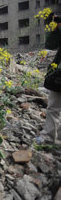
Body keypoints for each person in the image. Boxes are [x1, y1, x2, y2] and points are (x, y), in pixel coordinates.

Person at [39, 13, 61, 144]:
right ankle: (48, 137)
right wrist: (56, 28)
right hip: (59, 74)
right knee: (53, 107)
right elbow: (50, 44)